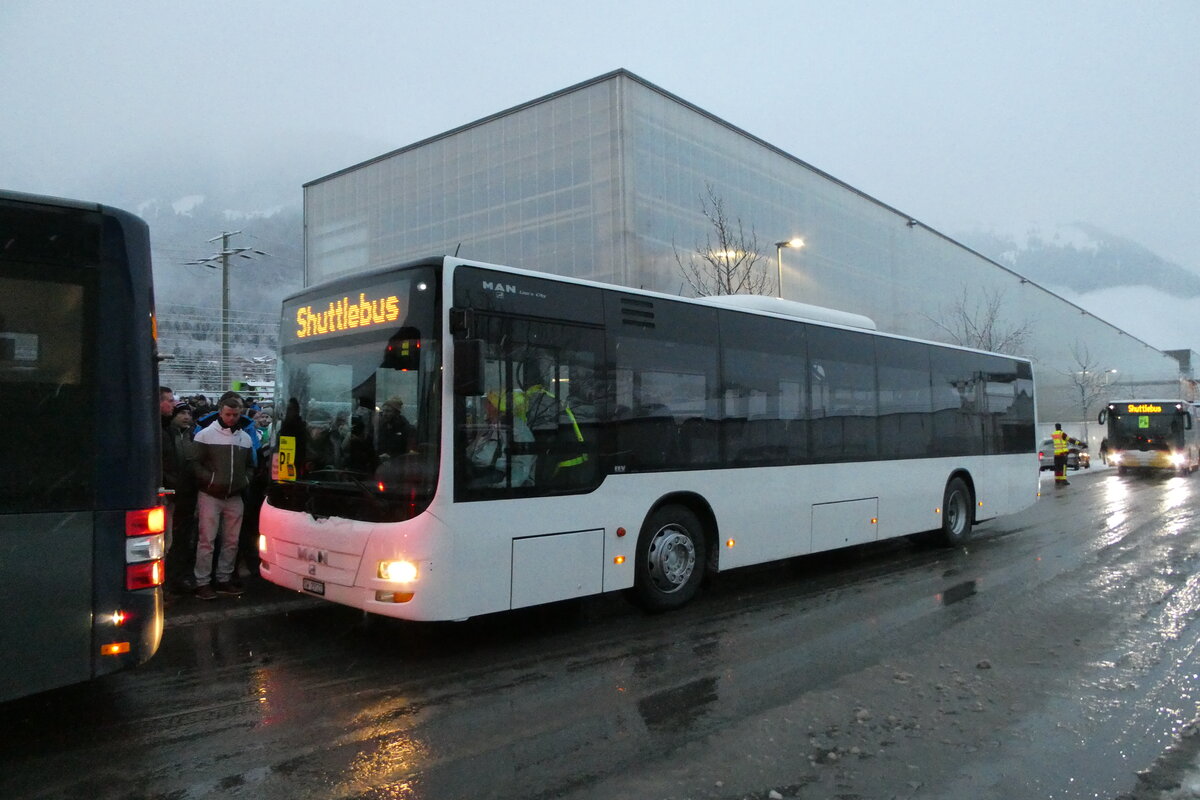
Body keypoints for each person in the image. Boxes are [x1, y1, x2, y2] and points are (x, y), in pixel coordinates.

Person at [191, 396, 254, 599]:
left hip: (231, 494)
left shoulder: (245, 438)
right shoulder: (205, 435)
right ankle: (203, 581)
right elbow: (194, 464)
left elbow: (250, 466)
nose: (232, 418)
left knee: (230, 540)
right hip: (211, 494)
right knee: (207, 540)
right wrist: (211, 481)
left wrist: (243, 480)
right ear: (220, 412)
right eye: (228, 414)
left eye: (235, 415)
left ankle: (222, 578)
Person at [163, 401, 198, 593]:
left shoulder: (193, 435)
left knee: (184, 538)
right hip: (172, 494)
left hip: (189, 493)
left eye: (188, 413)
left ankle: (179, 577)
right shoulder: (167, 435)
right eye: (181, 413)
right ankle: (168, 580)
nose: (186, 417)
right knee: (169, 539)